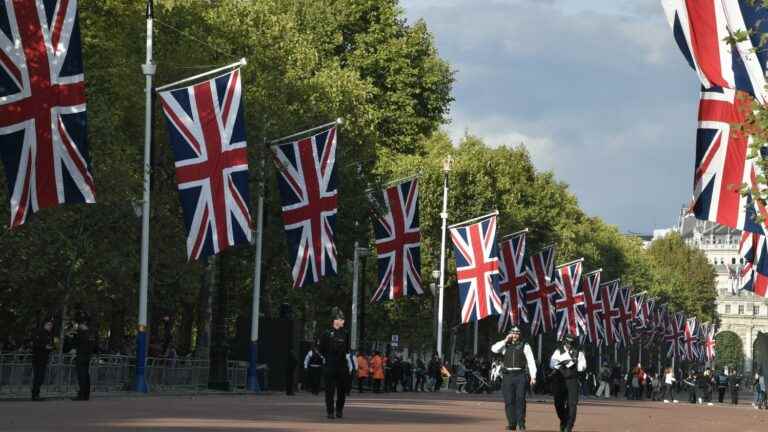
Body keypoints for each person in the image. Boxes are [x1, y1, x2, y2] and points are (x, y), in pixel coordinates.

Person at [491, 326, 537, 432]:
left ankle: (521, 423)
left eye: (517, 332)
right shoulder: (505, 345)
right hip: (507, 375)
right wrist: (505, 340)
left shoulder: (525, 345)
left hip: (520, 375)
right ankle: (512, 423)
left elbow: (531, 361)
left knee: (520, 399)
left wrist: (533, 376)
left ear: (519, 334)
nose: (515, 334)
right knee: (509, 400)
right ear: (509, 333)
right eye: (513, 332)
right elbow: (494, 349)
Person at [548, 334, 586, 432]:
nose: (569, 345)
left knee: (572, 404)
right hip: (559, 379)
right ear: (564, 342)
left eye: (571, 343)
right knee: (558, 403)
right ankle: (564, 420)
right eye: (567, 343)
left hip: (572, 380)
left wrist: (577, 362)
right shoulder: (558, 351)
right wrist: (562, 362)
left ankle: (569, 426)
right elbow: (552, 363)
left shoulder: (579, 352)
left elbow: (582, 366)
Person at [319, 307, 351, 419]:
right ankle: (330, 412)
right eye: (341, 319)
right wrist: (328, 358)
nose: (343, 321)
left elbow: (347, 350)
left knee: (342, 391)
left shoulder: (345, 333)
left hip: (342, 365)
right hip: (330, 365)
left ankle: (339, 410)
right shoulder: (326, 334)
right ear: (335, 320)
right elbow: (321, 349)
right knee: (329, 391)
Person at [31, 319, 54, 401]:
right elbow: (35, 344)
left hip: (44, 358)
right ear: (45, 325)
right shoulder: (39, 332)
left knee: (41, 377)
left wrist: (51, 347)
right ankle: (35, 394)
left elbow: (51, 344)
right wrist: (45, 346)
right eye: (49, 325)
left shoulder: (49, 334)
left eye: (51, 325)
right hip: (38, 358)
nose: (50, 326)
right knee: (38, 377)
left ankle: (36, 393)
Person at [72, 319, 95, 401]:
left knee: (82, 377)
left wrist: (74, 334)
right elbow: (93, 346)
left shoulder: (81, 334)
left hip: (81, 357)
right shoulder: (91, 334)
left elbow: (75, 343)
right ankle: (86, 394)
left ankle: (81, 394)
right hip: (87, 357)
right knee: (86, 376)